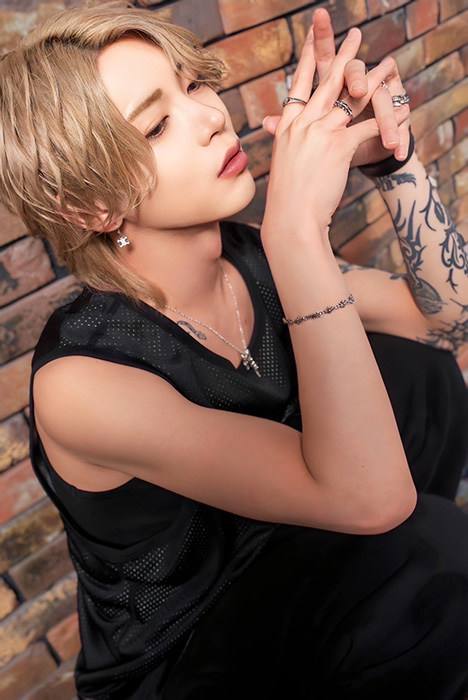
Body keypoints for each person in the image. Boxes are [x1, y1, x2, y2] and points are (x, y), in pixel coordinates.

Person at [1, 2, 467, 698]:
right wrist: (299, 235)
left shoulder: (248, 258)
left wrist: (395, 164)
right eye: (156, 125)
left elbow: (446, 321)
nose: (210, 116)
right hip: (191, 648)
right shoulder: (82, 380)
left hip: (295, 544)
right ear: (92, 207)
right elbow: (374, 501)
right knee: (429, 553)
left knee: (416, 375)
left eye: (192, 84)